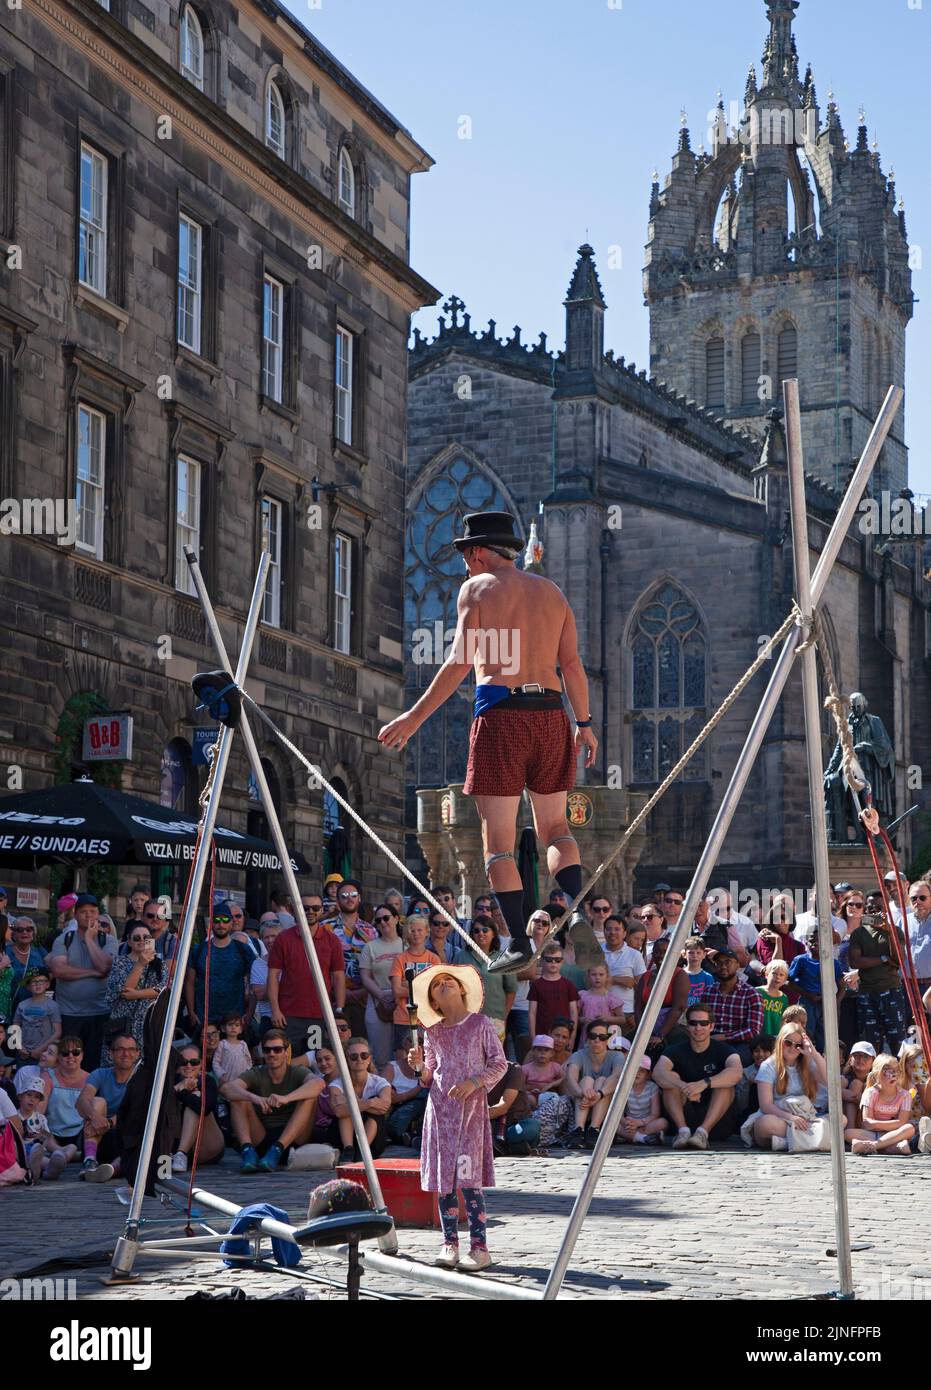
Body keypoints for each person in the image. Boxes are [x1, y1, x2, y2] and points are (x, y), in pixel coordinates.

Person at [378, 508, 598, 971]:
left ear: (477, 553)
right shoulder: (553, 593)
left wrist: (414, 719)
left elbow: (461, 661)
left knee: (497, 841)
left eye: (464, 554)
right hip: (552, 714)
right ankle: (578, 911)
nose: (463, 564)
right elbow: (573, 665)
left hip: (501, 715)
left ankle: (518, 942)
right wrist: (585, 724)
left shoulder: (475, 589)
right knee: (556, 830)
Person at [407, 964, 508, 1272]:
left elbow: (499, 1063)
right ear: (433, 1001)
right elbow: (429, 1073)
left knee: (468, 1179)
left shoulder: (480, 1024)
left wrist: (474, 1083)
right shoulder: (431, 1031)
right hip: (440, 1112)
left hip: (470, 1114)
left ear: (462, 989)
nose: (444, 984)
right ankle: (449, 1242)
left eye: (448, 980)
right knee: (445, 1180)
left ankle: (480, 1247)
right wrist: (418, 1065)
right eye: (437, 984)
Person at [221, 1028, 324, 1173]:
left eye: (277, 1049)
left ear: (286, 1051)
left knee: (310, 1097)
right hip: (262, 1136)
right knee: (238, 1098)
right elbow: (227, 1089)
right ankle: (247, 1151)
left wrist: (286, 1098)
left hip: (294, 1139)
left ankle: (277, 1149)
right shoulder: (257, 1072)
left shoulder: (296, 1071)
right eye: (267, 1050)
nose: (272, 1054)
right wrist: (255, 1098)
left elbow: (319, 1084)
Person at [653, 1001, 742, 1149]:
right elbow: (658, 1072)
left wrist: (704, 1083)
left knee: (726, 1084)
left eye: (703, 1023)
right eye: (694, 1023)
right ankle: (683, 1132)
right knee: (670, 1079)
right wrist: (685, 1087)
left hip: (717, 1122)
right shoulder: (675, 1050)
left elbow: (736, 1072)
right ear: (687, 1026)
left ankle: (702, 1133)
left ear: (711, 1026)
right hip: (684, 1114)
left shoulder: (724, 1050)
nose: (698, 1028)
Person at [46, 895, 118, 1071]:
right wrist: (93, 972)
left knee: (94, 1064)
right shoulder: (64, 939)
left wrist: (88, 939)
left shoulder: (107, 940)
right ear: (75, 915)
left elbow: (105, 967)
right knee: (67, 1063)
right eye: (83, 912)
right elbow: (59, 970)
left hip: (100, 1012)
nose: (88, 916)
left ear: (98, 914)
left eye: (92, 912)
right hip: (69, 1014)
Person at [266, 902, 346, 1051]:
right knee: (289, 1061)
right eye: (305, 908)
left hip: (320, 1014)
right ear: (295, 910)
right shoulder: (283, 939)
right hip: (288, 1014)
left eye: (315, 908)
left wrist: (339, 1011)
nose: (310, 911)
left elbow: (338, 977)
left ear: (321, 910)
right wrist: (275, 1010)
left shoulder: (332, 940)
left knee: (316, 1061)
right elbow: (273, 975)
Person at [751, 1024, 830, 1151]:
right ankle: (808, 1141)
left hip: (805, 1118)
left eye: (798, 1045)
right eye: (788, 1043)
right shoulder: (768, 1065)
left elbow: (830, 1081)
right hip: (780, 1117)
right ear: (780, 1042)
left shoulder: (808, 1063)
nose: (793, 1048)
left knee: (841, 1120)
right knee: (764, 1124)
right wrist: (791, 1118)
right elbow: (766, 1105)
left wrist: (813, 1053)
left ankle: (786, 1143)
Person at [76, 1030, 140, 1182]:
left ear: (137, 1054)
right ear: (111, 1054)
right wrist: (95, 1117)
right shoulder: (100, 1074)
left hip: (126, 1134)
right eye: (120, 1049)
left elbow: (135, 1110)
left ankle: (110, 1169)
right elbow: (81, 1102)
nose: (126, 1054)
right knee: (98, 1102)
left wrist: (109, 1122)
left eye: (131, 1050)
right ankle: (90, 1160)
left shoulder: (141, 1078)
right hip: (99, 1137)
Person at [846, 906, 910, 1054]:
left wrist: (888, 930)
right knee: (869, 1043)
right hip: (867, 993)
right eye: (870, 908)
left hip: (891, 991)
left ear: (885, 911)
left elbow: (899, 959)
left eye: (878, 908)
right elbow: (855, 962)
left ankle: (899, 1075)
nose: (874, 912)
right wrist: (883, 958)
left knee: (897, 1041)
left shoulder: (894, 931)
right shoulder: (858, 933)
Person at [184, 903, 254, 1031]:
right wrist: (191, 1012)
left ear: (231, 923)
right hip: (204, 1018)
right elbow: (189, 982)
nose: (221, 924)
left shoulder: (243, 950)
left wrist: (249, 1013)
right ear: (211, 923)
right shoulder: (198, 950)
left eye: (225, 920)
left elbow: (253, 983)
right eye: (217, 920)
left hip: (235, 1020)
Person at [102, 923, 163, 1065]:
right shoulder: (119, 962)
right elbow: (124, 990)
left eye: (146, 937)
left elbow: (163, 990)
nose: (141, 940)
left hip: (148, 1028)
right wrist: (140, 965)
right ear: (129, 941)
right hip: (123, 1028)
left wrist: (137, 994)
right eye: (137, 938)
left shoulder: (159, 964)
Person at [692, 949, 764, 1066]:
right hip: (708, 1039)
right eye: (719, 963)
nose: (723, 966)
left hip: (739, 1043)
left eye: (727, 962)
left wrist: (724, 1037)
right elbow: (699, 1019)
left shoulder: (752, 994)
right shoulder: (708, 991)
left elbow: (753, 1030)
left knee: (733, 1061)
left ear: (737, 965)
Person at [563, 1019, 627, 1149]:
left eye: (602, 1037)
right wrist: (583, 1093)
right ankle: (579, 1129)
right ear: (587, 1039)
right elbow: (571, 1077)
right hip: (582, 1103)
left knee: (602, 1080)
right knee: (587, 1080)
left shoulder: (616, 1055)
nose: (597, 1040)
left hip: (605, 1105)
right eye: (593, 1036)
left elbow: (617, 1077)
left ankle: (594, 1128)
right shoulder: (579, 1055)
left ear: (608, 1040)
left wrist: (599, 1094)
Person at [452, 917, 517, 1044]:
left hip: (494, 1019)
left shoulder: (504, 958)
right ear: (472, 935)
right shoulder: (461, 957)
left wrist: (504, 1016)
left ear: (493, 933)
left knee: (493, 1061)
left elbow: (511, 990)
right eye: (476, 931)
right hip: (465, 1019)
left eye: (485, 930)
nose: (480, 933)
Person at [329, 1036, 392, 1164]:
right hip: (344, 1137)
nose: (359, 1059)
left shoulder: (380, 1082)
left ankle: (362, 1151)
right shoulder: (337, 1083)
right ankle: (349, 1150)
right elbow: (339, 1112)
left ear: (369, 1059)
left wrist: (348, 1101)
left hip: (373, 1140)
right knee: (348, 1111)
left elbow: (385, 1106)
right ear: (347, 1060)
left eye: (364, 1055)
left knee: (365, 1111)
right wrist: (370, 1102)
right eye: (354, 1056)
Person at [786, 927, 845, 1052]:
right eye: (812, 940)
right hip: (806, 1003)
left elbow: (842, 987)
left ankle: (822, 1063)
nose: (815, 943)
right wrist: (808, 995)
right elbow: (789, 982)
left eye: (819, 940)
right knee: (805, 1034)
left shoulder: (833, 963)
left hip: (826, 1005)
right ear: (807, 942)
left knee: (825, 1037)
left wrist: (833, 1004)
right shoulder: (801, 960)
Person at [359, 903, 405, 1066]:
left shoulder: (406, 945)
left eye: (386, 918)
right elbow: (365, 977)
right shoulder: (369, 947)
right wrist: (381, 995)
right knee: (380, 1054)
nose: (383, 923)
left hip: (403, 1000)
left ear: (397, 919)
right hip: (377, 1000)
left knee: (404, 1052)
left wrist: (396, 994)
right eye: (378, 921)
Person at [331, 880, 377, 1037]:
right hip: (332, 999)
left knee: (359, 1045)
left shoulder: (371, 931)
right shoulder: (326, 928)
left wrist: (361, 993)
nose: (349, 899)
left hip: (362, 1000)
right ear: (337, 901)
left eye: (353, 895)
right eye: (344, 896)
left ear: (360, 898)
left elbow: (376, 967)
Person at [389, 916, 441, 1054]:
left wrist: (408, 984)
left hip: (428, 1019)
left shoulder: (434, 959)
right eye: (412, 930)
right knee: (403, 1057)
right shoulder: (400, 959)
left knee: (429, 1058)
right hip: (403, 1018)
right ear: (406, 933)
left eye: (419, 930)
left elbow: (436, 991)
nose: (416, 933)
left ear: (426, 932)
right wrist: (423, 987)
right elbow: (396, 991)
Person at [847, 1053, 916, 1155]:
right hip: (875, 1134)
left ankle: (872, 1146)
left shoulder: (905, 1095)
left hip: (893, 1133)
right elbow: (867, 1123)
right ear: (877, 1073)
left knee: (909, 1128)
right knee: (847, 1133)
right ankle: (894, 1148)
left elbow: (902, 1122)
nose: (892, 1074)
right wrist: (890, 1126)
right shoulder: (870, 1093)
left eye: (896, 1070)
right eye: (887, 1070)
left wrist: (876, 1124)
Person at [170, 1045, 225, 1172]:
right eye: (184, 1062)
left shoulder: (208, 1081)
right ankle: (179, 1154)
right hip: (175, 1142)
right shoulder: (171, 1080)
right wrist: (177, 1087)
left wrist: (182, 1092)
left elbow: (205, 1108)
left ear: (201, 1065)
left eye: (194, 1062)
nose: (189, 1066)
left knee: (196, 1098)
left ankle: (181, 1153)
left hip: (207, 1145)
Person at [634, 937, 691, 1055]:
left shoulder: (680, 975)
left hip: (671, 1027)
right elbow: (638, 1006)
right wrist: (642, 1033)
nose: (661, 955)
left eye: (665, 952)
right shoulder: (646, 976)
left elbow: (679, 1007)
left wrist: (660, 1035)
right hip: (646, 1026)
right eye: (657, 952)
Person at [41, 1034, 88, 1152]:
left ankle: (69, 1154)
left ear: (82, 1055)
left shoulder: (91, 1079)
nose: (70, 1056)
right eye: (65, 1053)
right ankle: (65, 1153)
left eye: (76, 1052)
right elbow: (39, 1112)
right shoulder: (48, 1077)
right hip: (51, 1133)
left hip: (81, 1134)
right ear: (59, 1057)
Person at [528, 946, 579, 1046]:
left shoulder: (568, 985)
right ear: (542, 961)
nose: (553, 963)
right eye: (549, 960)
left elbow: (574, 1013)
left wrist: (572, 1038)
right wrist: (533, 1037)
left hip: (563, 1036)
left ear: (562, 962)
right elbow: (532, 1013)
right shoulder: (536, 985)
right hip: (542, 1035)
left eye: (557, 960)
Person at [601, 916, 646, 1025]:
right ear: (604, 931)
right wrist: (622, 980)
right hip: (600, 1011)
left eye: (617, 929)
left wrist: (637, 1013)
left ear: (625, 933)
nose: (612, 932)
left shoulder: (635, 955)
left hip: (626, 1012)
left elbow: (641, 987)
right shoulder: (596, 953)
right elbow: (588, 982)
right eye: (608, 929)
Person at [487, 1061, 538, 1154]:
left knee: (531, 1127)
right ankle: (509, 1147)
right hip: (490, 1123)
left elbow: (503, 1106)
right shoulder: (474, 1071)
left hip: (514, 1123)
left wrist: (478, 1117)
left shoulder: (513, 1069)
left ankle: (500, 1146)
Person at [383, 1043, 428, 1147]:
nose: (417, 1045)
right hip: (396, 1111)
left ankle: (413, 1137)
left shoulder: (428, 1068)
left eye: (421, 1042)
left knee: (425, 1094)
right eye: (412, 1041)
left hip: (418, 1112)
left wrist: (402, 1096)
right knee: (422, 1094)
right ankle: (410, 1137)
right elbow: (386, 1097)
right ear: (405, 1044)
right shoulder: (392, 1067)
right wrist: (417, 1090)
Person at [13, 966, 61, 1062]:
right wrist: (19, 1047)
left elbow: (57, 1032)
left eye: (41, 981)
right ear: (28, 986)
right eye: (34, 982)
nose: (38, 984)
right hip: (23, 1054)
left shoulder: (53, 1006)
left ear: (47, 984)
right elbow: (14, 1027)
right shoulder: (22, 1005)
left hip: (44, 1054)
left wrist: (40, 1050)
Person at [616, 1055, 667, 1145]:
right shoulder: (624, 1087)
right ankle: (643, 1138)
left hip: (646, 1122)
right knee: (615, 1125)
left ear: (648, 1074)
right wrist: (626, 1123)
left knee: (663, 1122)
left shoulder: (652, 1087)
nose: (637, 1073)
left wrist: (639, 1123)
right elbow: (619, 1113)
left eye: (642, 1071)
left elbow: (655, 1114)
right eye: (635, 1069)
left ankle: (631, 1137)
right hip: (629, 1123)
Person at [249, 916, 283, 1039]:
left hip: (292, 1017)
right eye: (266, 937)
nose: (270, 940)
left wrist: (271, 987)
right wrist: (279, 980)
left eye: (274, 936)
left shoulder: (291, 960)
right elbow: (260, 995)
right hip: (268, 1019)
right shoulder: (257, 963)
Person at [520, 1034, 565, 1103]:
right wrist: (530, 1089)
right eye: (539, 1050)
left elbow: (564, 1078)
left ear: (552, 1053)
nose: (542, 1053)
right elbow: (520, 1085)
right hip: (531, 1094)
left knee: (554, 1098)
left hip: (548, 1094)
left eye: (546, 1050)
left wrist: (552, 1084)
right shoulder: (526, 1068)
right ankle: (534, 1112)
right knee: (529, 1098)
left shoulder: (555, 1067)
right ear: (533, 1052)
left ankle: (543, 1111)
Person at [841, 1040, 876, 1128]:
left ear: (873, 1060)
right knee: (856, 1085)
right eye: (856, 1056)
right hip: (843, 1119)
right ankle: (850, 1131)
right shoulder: (843, 1078)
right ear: (850, 1059)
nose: (860, 1060)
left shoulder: (878, 1079)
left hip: (869, 1118)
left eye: (865, 1057)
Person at [578, 961, 626, 1026]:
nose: (597, 977)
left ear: (607, 976)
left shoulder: (611, 998)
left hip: (604, 1034)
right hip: (587, 1033)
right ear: (588, 976)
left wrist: (608, 1019)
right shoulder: (582, 995)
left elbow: (622, 1019)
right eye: (593, 974)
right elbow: (574, 1016)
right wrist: (581, 1019)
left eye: (601, 974)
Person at [212, 1013, 253, 1085]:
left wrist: (247, 1074)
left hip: (241, 1080)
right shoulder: (222, 1044)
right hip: (226, 1080)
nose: (233, 1027)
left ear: (240, 1029)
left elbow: (249, 1061)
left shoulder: (243, 1045)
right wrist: (221, 1075)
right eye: (230, 1024)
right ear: (223, 1028)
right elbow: (215, 1062)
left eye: (237, 1025)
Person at [756, 959, 790, 1037]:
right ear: (766, 975)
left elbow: (783, 1020)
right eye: (774, 973)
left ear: (785, 980)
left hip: (775, 1035)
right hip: (758, 1034)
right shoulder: (757, 992)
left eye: (781, 975)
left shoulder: (784, 998)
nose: (777, 977)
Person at [683, 937, 715, 1007]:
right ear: (685, 954)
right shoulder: (679, 975)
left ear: (704, 955)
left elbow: (710, 1002)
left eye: (698, 953)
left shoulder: (708, 977)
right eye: (691, 953)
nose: (695, 956)